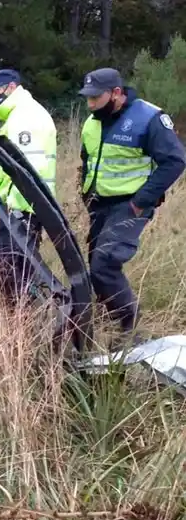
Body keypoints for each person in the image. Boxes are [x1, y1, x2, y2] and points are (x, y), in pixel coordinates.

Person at [77, 67, 186, 345]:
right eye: (87, 98)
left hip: (130, 205)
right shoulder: (93, 121)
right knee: (93, 263)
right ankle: (104, 319)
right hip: (99, 203)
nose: (90, 104)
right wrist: (85, 191)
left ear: (116, 93)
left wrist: (141, 202)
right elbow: (88, 159)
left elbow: (175, 161)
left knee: (105, 263)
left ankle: (130, 327)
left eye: (95, 98)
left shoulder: (149, 118)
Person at [0, 69, 58, 305]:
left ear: (11, 87)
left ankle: (35, 308)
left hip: (22, 208)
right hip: (19, 207)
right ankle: (23, 313)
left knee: (6, 267)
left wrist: (10, 207)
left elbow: (26, 171)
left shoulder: (27, 119)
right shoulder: (18, 117)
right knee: (16, 267)